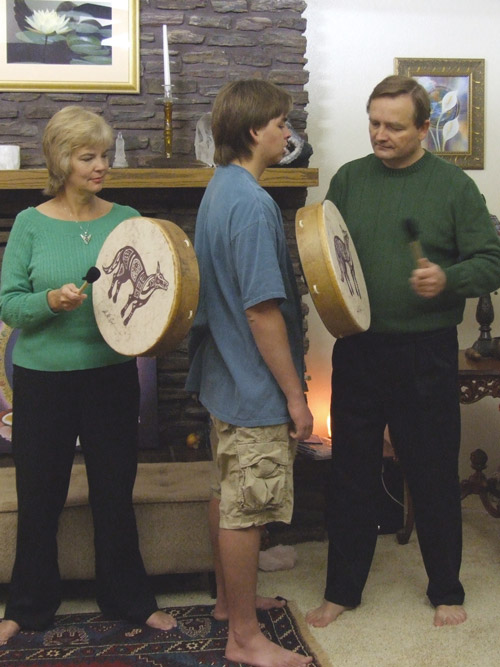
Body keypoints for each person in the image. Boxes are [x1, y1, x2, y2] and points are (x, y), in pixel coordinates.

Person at [306, 75, 500, 629]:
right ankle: (342, 590)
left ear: (424, 128)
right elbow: (330, 252)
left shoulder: (453, 187)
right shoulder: (349, 179)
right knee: (350, 473)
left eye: (393, 126)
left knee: (433, 471)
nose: (380, 134)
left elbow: (492, 261)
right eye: (374, 123)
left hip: (426, 350)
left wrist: (449, 278)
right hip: (359, 349)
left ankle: (446, 590)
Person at [0, 106, 176, 644]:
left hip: (111, 378)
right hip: (42, 380)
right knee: (39, 495)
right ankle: (27, 607)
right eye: (87, 157)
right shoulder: (30, 224)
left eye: (104, 155)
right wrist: (49, 302)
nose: (101, 166)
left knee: (114, 492)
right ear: (61, 160)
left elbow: (154, 294)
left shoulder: (127, 219)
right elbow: (9, 305)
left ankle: (129, 599)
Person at [186, 79, 314, 667]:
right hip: (252, 386)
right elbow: (262, 312)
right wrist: (295, 397)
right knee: (249, 509)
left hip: (223, 381)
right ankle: (244, 638)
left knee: (226, 495)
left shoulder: (219, 188)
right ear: (254, 130)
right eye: (281, 123)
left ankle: (226, 604)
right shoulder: (254, 204)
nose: (288, 133)